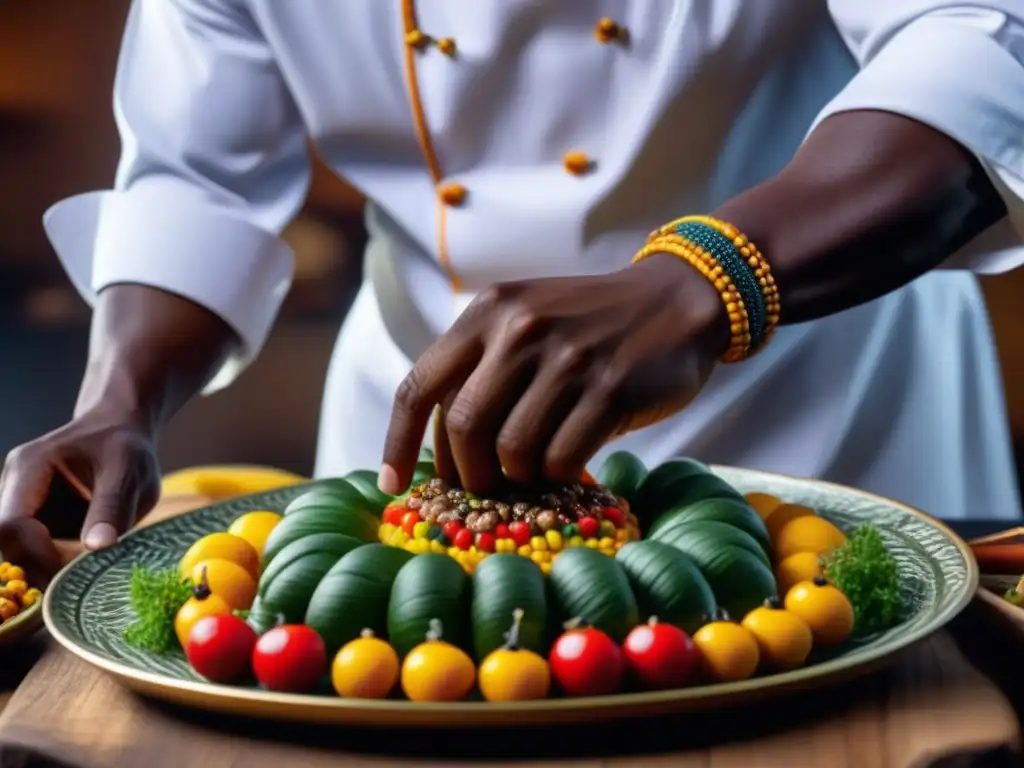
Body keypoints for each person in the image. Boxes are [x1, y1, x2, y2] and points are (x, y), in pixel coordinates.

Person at [1, 0, 1023, 577]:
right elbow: (200, 179)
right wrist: (118, 400)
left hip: (825, 393)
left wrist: (701, 281)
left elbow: (977, 44)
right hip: (434, 433)